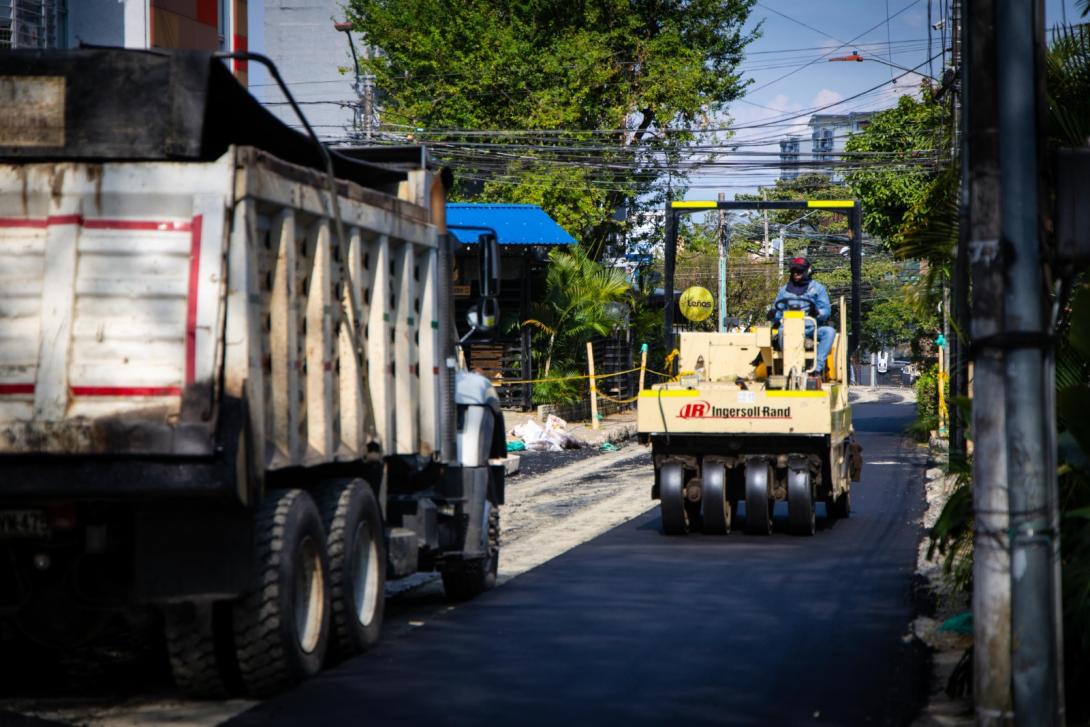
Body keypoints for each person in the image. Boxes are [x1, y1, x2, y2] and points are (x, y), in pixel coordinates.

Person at [771, 257, 836, 383]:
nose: (796, 274)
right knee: (780, 331)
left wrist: (818, 312)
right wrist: (773, 313)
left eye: (799, 271)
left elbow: (826, 311)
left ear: (806, 271)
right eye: (794, 271)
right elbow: (777, 311)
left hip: (811, 327)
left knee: (829, 332)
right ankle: (790, 368)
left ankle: (817, 369)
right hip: (789, 328)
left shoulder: (818, 288)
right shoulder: (784, 291)